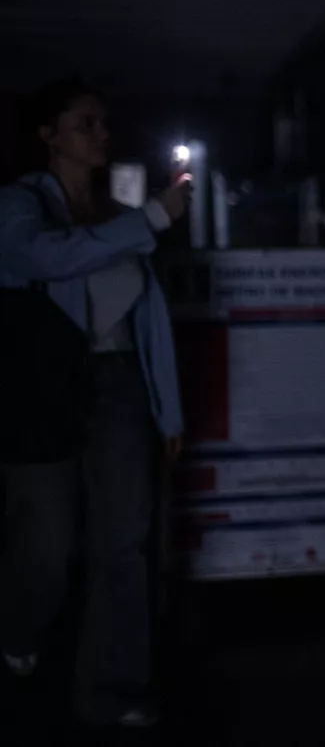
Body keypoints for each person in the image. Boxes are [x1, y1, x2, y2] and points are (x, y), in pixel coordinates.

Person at [0, 77, 191, 729]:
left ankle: (112, 692)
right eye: (86, 123)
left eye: (104, 125)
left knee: (124, 544)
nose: (101, 135)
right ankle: (17, 630)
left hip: (117, 389)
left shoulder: (116, 216)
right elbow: (41, 257)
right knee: (47, 548)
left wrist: (168, 410)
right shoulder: (20, 207)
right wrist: (154, 219)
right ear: (48, 135)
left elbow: (150, 319)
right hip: (43, 391)